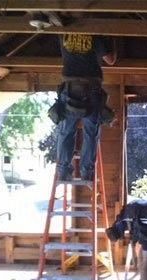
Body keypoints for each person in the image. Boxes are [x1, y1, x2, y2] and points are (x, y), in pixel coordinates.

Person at [52, 34, 116, 181]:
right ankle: (87, 172)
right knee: (91, 134)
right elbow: (111, 60)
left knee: (66, 132)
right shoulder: (96, 36)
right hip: (91, 89)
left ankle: (63, 171)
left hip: (69, 89)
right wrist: (113, 40)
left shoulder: (64, 35)